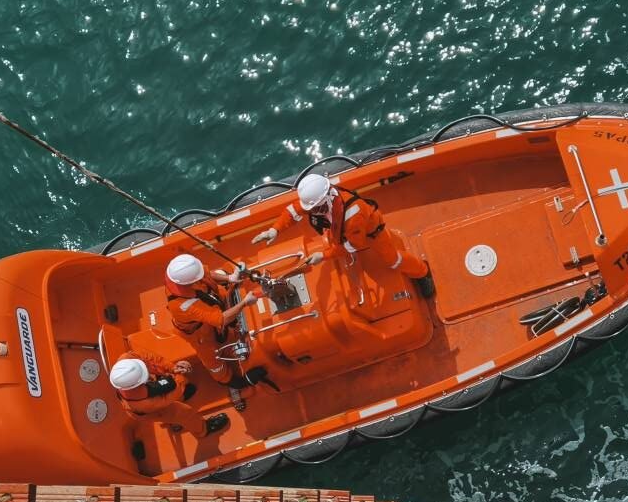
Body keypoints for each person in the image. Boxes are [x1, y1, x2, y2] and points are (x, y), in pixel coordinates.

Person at [252, 173, 435, 298]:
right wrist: (274, 230)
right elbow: (293, 212)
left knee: (392, 259)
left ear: (323, 199)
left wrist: (323, 256)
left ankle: (422, 273)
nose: (309, 211)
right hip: (343, 232)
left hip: (370, 234)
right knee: (335, 241)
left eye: (312, 208)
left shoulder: (353, 215)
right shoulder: (320, 201)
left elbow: (354, 245)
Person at [165, 254, 257, 410]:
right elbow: (221, 319)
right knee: (213, 361)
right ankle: (230, 381)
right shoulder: (184, 305)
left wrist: (230, 278)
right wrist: (244, 303)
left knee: (221, 274)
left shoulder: (179, 273)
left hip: (210, 309)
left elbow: (206, 274)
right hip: (198, 333)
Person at [109, 351, 229, 471]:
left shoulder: (126, 360)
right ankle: (203, 430)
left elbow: (151, 358)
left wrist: (173, 368)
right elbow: (172, 394)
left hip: (158, 387)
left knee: (179, 393)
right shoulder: (144, 402)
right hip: (154, 410)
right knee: (184, 413)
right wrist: (182, 374)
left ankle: (184, 397)